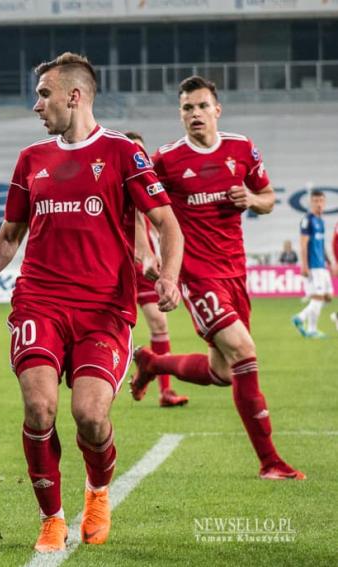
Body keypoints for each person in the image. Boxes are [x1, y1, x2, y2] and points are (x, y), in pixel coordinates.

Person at [0, 53, 183, 553]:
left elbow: (167, 222)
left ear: (74, 95)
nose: (36, 104)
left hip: (104, 309)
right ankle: (52, 517)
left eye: (44, 94)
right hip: (39, 301)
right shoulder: (31, 159)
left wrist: (169, 276)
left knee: (90, 415)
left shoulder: (123, 153)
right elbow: (9, 234)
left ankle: (98, 491)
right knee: (40, 407)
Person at [130, 75, 305, 481]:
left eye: (202, 106)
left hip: (235, 274)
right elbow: (136, 202)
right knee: (245, 353)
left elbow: (269, 198)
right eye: (187, 108)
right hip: (196, 274)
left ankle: (154, 362)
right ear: (181, 114)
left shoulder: (242, 149)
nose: (195, 114)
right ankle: (270, 462)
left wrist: (253, 199)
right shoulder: (166, 160)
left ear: (217, 109)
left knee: (224, 373)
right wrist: (146, 252)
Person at [125, 131, 188, 408]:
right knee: (113, 331)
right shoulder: (115, 181)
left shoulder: (149, 183)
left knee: (159, 322)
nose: (137, 155)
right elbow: (137, 224)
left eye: (141, 150)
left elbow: (159, 224)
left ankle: (165, 389)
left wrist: (154, 256)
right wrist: (146, 253)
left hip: (143, 268)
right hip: (116, 267)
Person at [292, 190, 332, 338]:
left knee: (327, 296)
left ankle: (308, 325)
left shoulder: (321, 221)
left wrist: (330, 262)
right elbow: (303, 244)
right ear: (311, 202)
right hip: (313, 266)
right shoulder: (307, 220)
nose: (319, 204)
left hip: (322, 265)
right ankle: (303, 321)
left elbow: (321, 245)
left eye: (321, 200)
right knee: (318, 297)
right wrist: (304, 266)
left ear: (325, 202)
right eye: (315, 201)